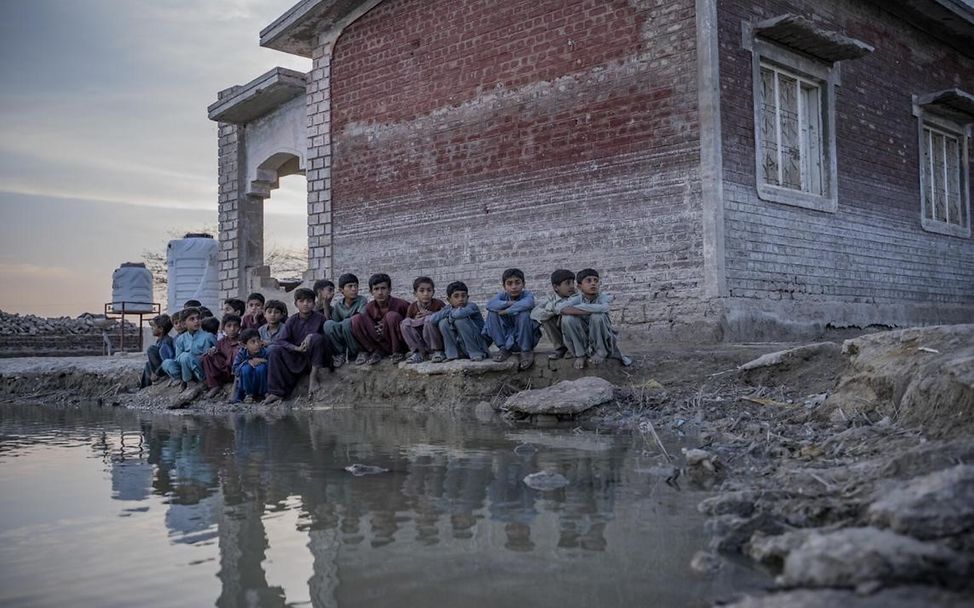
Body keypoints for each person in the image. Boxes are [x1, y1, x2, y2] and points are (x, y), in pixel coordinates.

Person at [264, 288, 333, 404]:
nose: (305, 304)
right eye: (301, 301)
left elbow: (326, 339)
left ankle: (313, 378)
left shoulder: (320, 318)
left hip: (316, 358)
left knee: (317, 338)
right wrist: (296, 348)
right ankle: (276, 392)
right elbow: (281, 341)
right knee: (274, 350)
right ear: (296, 304)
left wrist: (311, 336)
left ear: (314, 303)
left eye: (309, 301)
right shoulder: (291, 320)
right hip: (298, 357)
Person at [557, 268, 633, 369]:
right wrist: (589, 310)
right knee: (567, 319)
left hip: (602, 339)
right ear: (580, 287)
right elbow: (560, 308)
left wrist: (577, 308)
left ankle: (601, 352)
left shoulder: (603, 297)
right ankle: (580, 354)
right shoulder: (577, 299)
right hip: (584, 338)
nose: (593, 284)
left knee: (597, 316)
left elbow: (604, 308)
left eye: (595, 281)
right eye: (588, 281)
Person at [483, 268, 539, 370]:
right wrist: (508, 303)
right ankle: (503, 348)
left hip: (526, 340)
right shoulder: (502, 296)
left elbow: (528, 303)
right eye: (509, 283)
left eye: (517, 283)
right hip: (508, 339)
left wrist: (506, 311)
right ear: (504, 286)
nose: (514, 287)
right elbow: (490, 305)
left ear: (524, 284)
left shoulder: (527, 295)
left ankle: (526, 351)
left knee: (524, 313)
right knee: (492, 313)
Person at [351, 273, 410, 365]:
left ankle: (397, 353)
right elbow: (368, 327)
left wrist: (388, 324)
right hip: (380, 343)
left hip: (399, 343)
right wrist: (377, 327)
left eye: (383, 288)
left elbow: (410, 326)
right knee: (356, 319)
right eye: (376, 289)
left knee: (391, 316)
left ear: (389, 290)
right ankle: (375, 352)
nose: (380, 292)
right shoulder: (368, 308)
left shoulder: (402, 305)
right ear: (371, 292)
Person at [430, 281, 489, 361]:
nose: (460, 299)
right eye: (456, 296)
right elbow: (433, 319)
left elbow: (459, 314)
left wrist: (449, 313)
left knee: (460, 321)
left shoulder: (471, 306)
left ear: (467, 297)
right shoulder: (449, 308)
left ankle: (476, 353)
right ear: (449, 300)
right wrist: (449, 312)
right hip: (462, 344)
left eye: (463, 296)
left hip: (480, 343)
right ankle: (452, 355)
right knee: (442, 322)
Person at [161, 307, 217, 391]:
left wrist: (213, 349)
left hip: (200, 369)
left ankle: (190, 381)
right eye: (192, 319)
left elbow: (219, 349)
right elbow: (178, 358)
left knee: (186, 356)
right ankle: (182, 379)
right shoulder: (181, 339)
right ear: (184, 324)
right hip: (185, 368)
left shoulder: (208, 336)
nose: (196, 321)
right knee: (167, 363)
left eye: (198, 318)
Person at [530, 269, 576, 360]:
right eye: (567, 283)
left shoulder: (577, 297)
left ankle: (573, 349)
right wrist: (553, 312)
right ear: (556, 287)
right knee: (546, 319)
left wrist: (558, 309)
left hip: (577, 336)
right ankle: (560, 348)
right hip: (560, 330)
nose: (571, 286)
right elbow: (534, 314)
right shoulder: (551, 299)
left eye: (572, 283)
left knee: (568, 317)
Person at [324, 273, 367, 366]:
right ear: (341, 290)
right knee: (328, 324)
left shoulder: (362, 300)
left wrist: (345, 323)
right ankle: (340, 354)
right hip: (345, 335)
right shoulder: (338, 305)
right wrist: (326, 304)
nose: (354, 289)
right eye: (350, 286)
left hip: (358, 335)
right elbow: (335, 323)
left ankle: (360, 352)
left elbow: (361, 317)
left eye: (356, 286)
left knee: (348, 322)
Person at [400, 276, 446, 364]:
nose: (425, 294)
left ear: (433, 292)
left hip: (435, 339)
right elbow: (408, 323)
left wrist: (432, 315)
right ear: (415, 293)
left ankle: (438, 351)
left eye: (429, 290)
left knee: (429, 320)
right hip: (421, 341)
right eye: (421, 291)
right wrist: (416, 320)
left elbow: (446, 320)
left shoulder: (438, 304)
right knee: (405, 323)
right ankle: (417, 353)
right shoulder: (412, 307)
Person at [201, 314, 242, 399]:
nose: (232, 329)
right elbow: (217, 356)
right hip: (224, 372)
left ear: (240, 328)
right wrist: (212, 352)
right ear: (223, 328)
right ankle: (214, 385)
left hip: (237, 373)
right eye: (229, 326)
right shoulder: (221, 342)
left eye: (235, 326)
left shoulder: (243, 341)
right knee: (207, 356)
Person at [231, 328, 268, 403]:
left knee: (261, 368)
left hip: (261, 383)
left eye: (258, 340)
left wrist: (263, 361)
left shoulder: (265, 352)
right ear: (244, 345)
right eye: (253, 342)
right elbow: (235, 370)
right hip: (246, 385)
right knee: (246, 369)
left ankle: (263, 394)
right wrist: (247, 362)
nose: (257, 344)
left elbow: (273, 366)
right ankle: (248, 395)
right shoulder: (241, 353)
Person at [140, 313, 174, 388]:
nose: (152, 329)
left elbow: (167, 359)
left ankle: (159, 376)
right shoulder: (159, 340)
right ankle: (143, 387)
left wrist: (157, 373)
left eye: (153, 327)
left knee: (151, 349)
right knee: (147, 365)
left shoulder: (166, 341)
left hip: (164, 369)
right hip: (159, 367)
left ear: (161, 329)